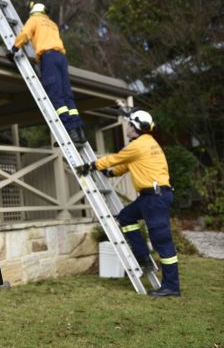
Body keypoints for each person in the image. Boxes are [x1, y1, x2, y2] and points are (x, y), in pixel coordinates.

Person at [76, 109, 180, 297]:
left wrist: (91, 166)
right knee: (126, 216)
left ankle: (171, 286)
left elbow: (115, 158)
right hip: (151, 197)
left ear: (135, 127)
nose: (127, 127)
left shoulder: (137, 145)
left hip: (154, 198)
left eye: (129, 124)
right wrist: (111, 173)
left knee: (162, 242)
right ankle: (143, 257)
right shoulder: (148, 143)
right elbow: (125, 164)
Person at [7, 2, 87, 145]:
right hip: (61, 58)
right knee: (67, 96)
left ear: (33, 11)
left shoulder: (34, 20)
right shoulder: (52, 24)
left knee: (56, 95)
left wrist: (14, 49)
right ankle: (79, 131)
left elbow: (25, 33)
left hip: (48, 58)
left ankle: (70, 133)